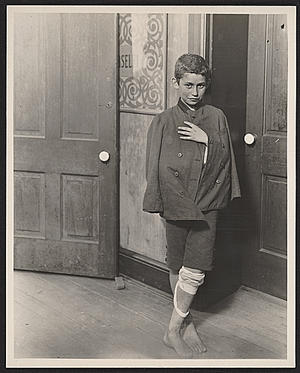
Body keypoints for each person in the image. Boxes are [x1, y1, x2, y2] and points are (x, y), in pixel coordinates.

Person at [143, 54, 241, 358]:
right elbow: (153, 166)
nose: (195, 93)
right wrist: (158, 201)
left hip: (206, 202)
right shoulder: (162, 120)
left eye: (200, 85)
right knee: (177, 264)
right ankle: (186, 323)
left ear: (206, 84)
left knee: (195, 268)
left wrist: (207, 139)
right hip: (174, 200)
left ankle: (171, 330)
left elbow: (228, 161)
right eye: (188, 85)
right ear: (176, 83)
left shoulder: (216, 117)